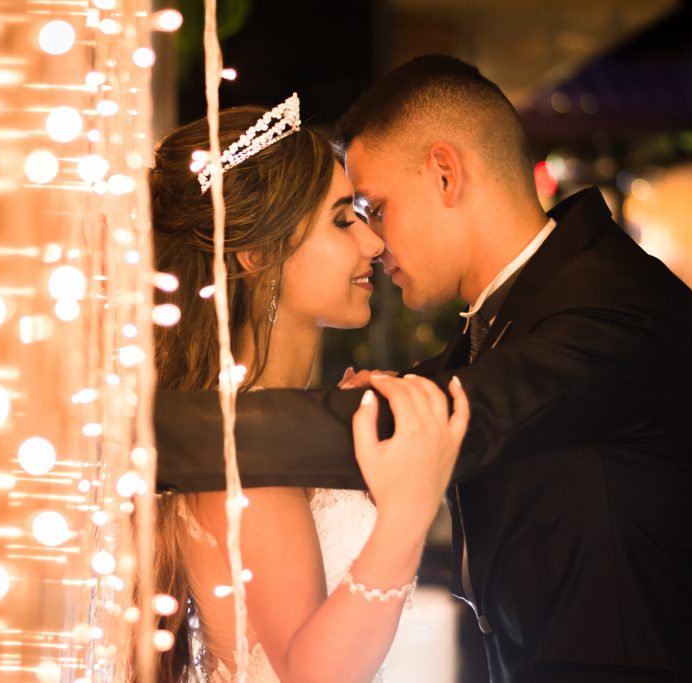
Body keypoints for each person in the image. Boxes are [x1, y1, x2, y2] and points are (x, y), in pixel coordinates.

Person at [153, 56, 692, 682]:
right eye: (348, 217)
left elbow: (445, 418)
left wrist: (145, 427)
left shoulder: (617, 310)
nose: (375, 242)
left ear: (444, 174)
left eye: (373, 208)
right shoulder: (506, 322)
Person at [140, 97, 469, 682]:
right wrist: (409, 507)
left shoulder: (269, 423)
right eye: (344, 220)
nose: (374, 243)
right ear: (257, 253)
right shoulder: (247, 442)